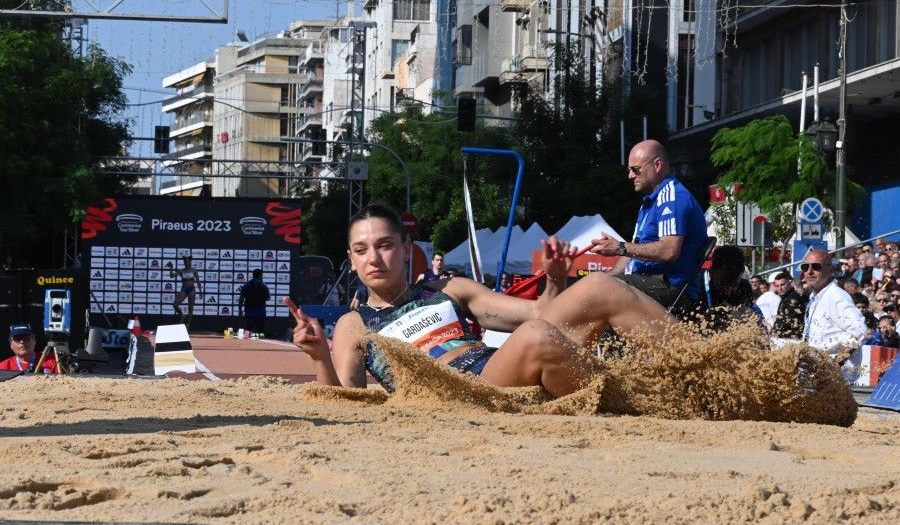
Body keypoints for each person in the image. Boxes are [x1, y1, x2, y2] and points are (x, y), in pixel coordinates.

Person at [291, 205, 681, 397]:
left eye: (385, 246)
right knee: (535, 338)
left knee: (599, 286)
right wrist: (318, 357)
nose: (374, 258)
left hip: (500, 368)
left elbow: (540, 313)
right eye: (361, 250)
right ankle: (636, 401)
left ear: (407, 248)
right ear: (351, 258)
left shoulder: (449, 289)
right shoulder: (354, 325)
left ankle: (708, 371)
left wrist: (555, 279)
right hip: (463, 394)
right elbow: (343, 399)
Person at [589, 140, 708, 308]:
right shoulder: (649, 203)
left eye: (635, 169)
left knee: (597, 290)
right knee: (594, 283)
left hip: (672, 289)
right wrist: (608, 275)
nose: (630, 176)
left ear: (658, 164)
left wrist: (620, 247)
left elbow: (669, 250)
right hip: (652, 283)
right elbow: (630, 255)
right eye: (629, 170)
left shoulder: (671, 197)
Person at [800, 249, 867, 374]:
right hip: (816, 376)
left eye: (816, 266)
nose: (809, 271)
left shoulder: (836, 296)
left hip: (836, 381)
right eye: (805, 267)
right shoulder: (814, 297)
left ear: (830, 270)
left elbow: (860, 331)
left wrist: (836, 362)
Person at [238, 269, 272, 337]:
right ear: (260, 275)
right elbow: (268, 298)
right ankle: (261, 344)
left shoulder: (247, 285)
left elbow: (241, 298)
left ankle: (250, 346)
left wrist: (240, 310)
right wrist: (261, 298)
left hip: (249, 310)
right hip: (260, 311)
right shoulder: (263, 285)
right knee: (261, 331)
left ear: (253, 275)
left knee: (250, 331)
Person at [771, 272, 805, 339]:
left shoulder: (793, 298)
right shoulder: (784, 298)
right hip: (785, 338)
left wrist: (774, 333)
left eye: (782, 285)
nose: (780, 288)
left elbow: (788, 320)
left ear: (790, 284)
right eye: (777, 286)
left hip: (791, 339)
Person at [171, 255, 202, 327]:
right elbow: (172, 276)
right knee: (175, 305)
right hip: (184, 288)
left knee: (190, 307)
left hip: (191, 289)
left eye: (187, 261)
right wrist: (171, 268)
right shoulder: (181, 270)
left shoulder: (194, 270)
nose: (186, 263)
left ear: (190, 262)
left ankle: (188, 324)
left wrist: (200, 291)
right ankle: (181, 315)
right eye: (185, 261)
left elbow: (198, 281)